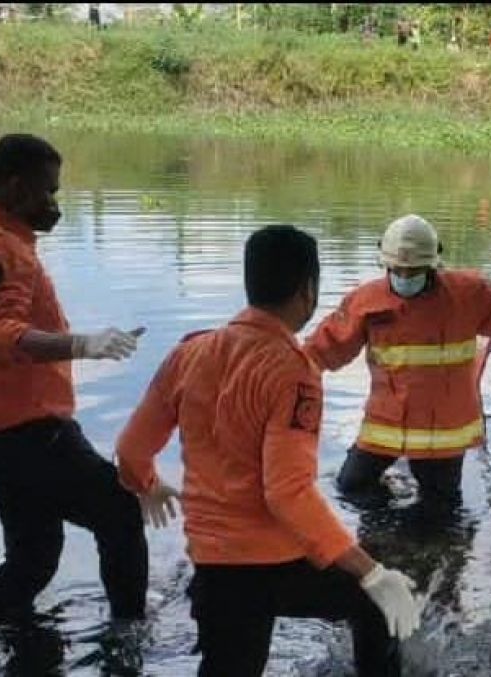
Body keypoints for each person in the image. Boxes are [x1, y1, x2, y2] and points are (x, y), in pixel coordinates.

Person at [116, 225, 422, 677]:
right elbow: (287, 493)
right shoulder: (293, 371)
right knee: (376, 602)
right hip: (273, 562)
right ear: (308, 291)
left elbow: (130, 449)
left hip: (213, 566)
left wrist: (146, 484)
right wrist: (370, 571)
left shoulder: (189, 353)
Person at [0, 134, 149, 624]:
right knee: (119, 513)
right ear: (15, 186)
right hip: (24, 431)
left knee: (35, 554)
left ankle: (2, 626)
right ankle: (130, 638)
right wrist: (84, 344)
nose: (54, 205)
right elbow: (5, 335)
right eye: (47, 192)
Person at [303, 214, 491, 507]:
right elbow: (326, 347)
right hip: (386, 426)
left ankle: (411, 527)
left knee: (440, 509)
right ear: (386, 265)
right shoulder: (366, 302)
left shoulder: (466, 294)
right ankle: (386, 526)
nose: (405, 277)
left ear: (432, 265)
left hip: (442, 435)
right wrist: (288, 372)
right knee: (351, 487)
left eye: (413, 271)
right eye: (398, 270)